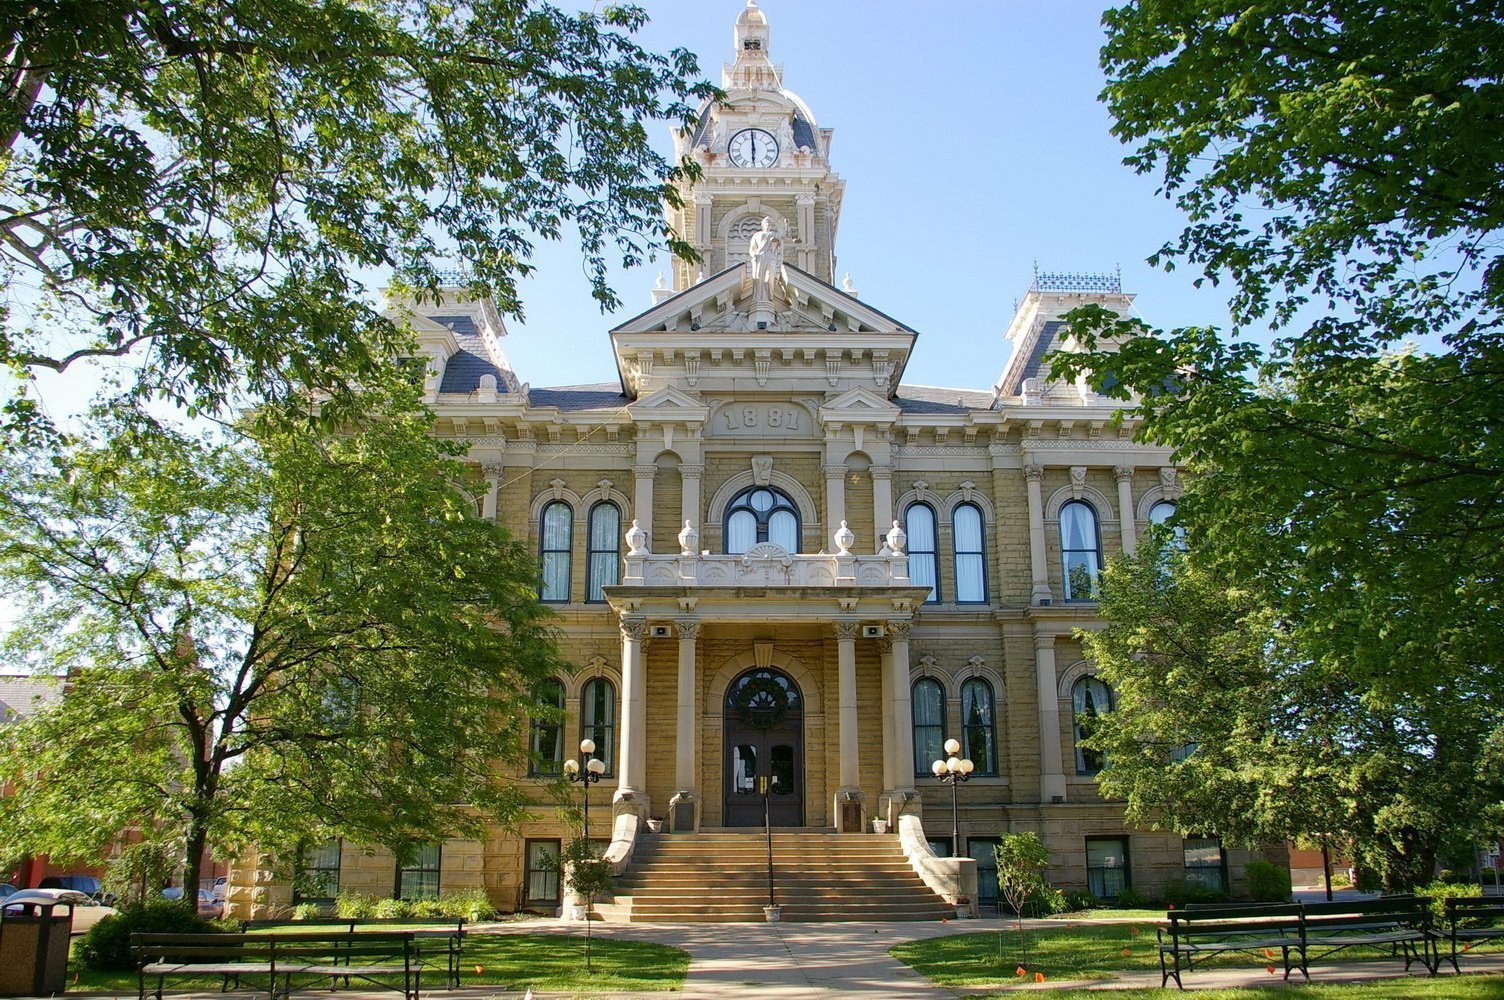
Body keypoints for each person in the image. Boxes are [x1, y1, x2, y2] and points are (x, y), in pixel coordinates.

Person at [748, 218, 781, 294]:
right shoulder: (757, 235)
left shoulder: (773, 234)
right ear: (762, 225)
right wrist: (753, 255)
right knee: (759, 278)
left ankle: (769, 295)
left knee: (769, 275)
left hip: (770, 256)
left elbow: (782, 236)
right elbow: (752, 248)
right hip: (760, 256)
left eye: (769, 224)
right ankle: (759, 295)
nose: (767, 225)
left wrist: (786, 226)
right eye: (766, 223)